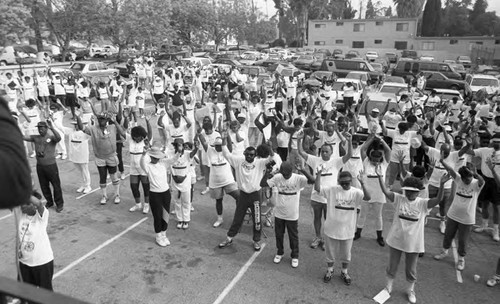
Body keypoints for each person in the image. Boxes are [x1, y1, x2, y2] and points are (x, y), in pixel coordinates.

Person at [377, 169, 450, 304]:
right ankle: (388, 287)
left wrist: (441, 185)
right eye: (407, 191)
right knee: (392, 266)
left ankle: (410, 290)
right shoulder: (399, 199)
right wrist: (380, 177)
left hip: (414, 243)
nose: (410, 193)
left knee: (411, 269)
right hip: (396, 239)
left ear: (418, 191)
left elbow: (439, 199)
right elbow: (385, 192)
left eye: (413, 191)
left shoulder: (423, 203)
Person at [297, 133, 353, 249]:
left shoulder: (336, 162)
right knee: (317, 218)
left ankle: (327, 239)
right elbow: (301, 152)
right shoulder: (315, 160)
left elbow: (349, 154)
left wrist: (350, 141)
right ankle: (318, 237)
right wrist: (299, 140)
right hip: (316, 196)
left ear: (332, 152)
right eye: (322, 151)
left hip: (330, 198)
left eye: (326, 151)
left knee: (329, 219)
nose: (323, 153)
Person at [315, 169, 370, 285]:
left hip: (348, 231)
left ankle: (344, 271)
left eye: (347, 183)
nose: (345, 185)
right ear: (338, 181)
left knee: (346, 254)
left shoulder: (356, 192)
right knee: (330, 253)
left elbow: (368, 197)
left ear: (351, 181)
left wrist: (363, 183)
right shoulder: (332, 190)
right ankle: (330, 270)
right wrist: (319, 174)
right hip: (331, 229)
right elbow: (317, 188)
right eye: (342, 183)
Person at [218, 141, 275, 251]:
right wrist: (224, 140)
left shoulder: (260, 162)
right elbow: (226, 154)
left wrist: (270, 148)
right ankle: (229, 238)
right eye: (247, 154)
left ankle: (256, 241)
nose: (249, 156)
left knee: (257, 220)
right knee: (237, 219)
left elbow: (273, 159)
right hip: (243, 196)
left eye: (252, 154)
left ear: (255, 155)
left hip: (255, 196)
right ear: (244, 153)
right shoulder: (238, 161)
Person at [433, 162, 484, 271]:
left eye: (470, 178)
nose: (467, 181)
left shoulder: (476, 184)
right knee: (448, 235)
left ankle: (461, 259)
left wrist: (476, 174)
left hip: (467, 219)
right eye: (466, 179)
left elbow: (482, 181)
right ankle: (444, 251)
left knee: (463, 240)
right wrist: (442, 161)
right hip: (453, 215)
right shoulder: (459, 179)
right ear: (462, 177)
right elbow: (451, 170)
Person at [260, 161, 308, 268]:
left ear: (292, 171)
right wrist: (267, 173)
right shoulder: (278, 177)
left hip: (292, 214)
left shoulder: (298, 178)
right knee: (279, 234)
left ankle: (295, 256)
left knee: (293, 236)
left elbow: (312, 181)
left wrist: (303, 170)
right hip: (279, 214)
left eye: (287, 174)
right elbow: (262, 184)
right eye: (283, 174)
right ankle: (279, 252)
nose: (285, 176)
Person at [77, 112, 125, 205]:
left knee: (113, 176)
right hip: (100, 158)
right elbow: (81, 128)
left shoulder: (112, 127)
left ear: (107, 120)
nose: (101, 121)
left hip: (111, 156)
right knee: (102, 177)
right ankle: (104, 196)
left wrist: (115, 121)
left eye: (103, 119)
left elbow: (122, 132)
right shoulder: (93, 129)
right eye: (99, 119)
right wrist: (78, 118)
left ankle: (117, 194)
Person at [355, 134, 391, 246]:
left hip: (379, 195)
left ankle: (380, 236)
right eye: (374, 160)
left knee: (378, 216)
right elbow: (363, 149)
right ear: (370, 158)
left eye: (378, 160)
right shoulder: (365, 162)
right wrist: (371, 139)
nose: (375, 162)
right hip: (366, 194)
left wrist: (381, 140)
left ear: (381, 158)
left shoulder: (384, 164)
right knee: (362, 214)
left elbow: (388, 150)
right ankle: (358, 233)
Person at [197, 133, 239, 228]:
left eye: (220, 146)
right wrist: (199, 132)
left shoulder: (226, 152)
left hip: (228, 181)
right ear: (214, 145)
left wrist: (227, 134)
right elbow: (203, 141)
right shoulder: (210, 151)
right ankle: (220, 219)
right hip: (215, 183)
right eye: (217, 146)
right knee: (218, 201)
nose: (218, 147)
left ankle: (237, 218)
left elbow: (229, 143)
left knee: (239, 197)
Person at [15, 191, 54, 291]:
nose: (22, 206)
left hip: (42, 263)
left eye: (26, 203)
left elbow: (39, 203)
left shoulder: (41, 217)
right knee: (25, 293)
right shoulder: (21, 214)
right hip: (24, 262)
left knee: (45, 296)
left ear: (34, 206)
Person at [23, 120, 64, 213]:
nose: (40, 130)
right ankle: (49, 201)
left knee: (56, 185)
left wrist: (52, 128)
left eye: (42, 128)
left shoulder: (51, 137)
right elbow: (23, 137)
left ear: (46, 128)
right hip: (40, 166)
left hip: (51, 166)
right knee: (44, 186)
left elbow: (59, 138)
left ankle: (59, 204)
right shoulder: (35, 138)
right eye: (39, 128)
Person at [0, 97, 32, 209]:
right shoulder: (10, 128)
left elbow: (29, 121)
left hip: (21, 152)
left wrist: (23, 113)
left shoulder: (20, 126)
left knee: (25, 168)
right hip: (14, 154)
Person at [140, 146, 171, 247]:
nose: (156, 159)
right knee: (157, 215)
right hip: (154, 194)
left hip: (165, 193)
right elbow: (142, 164)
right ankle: (158, 236)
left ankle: (164, 234)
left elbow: (174, 160)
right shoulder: (148, 166)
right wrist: (143, 154)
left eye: (157, 157)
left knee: (165, 215)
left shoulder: (164, 164)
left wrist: (179, 153)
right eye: (154, 157)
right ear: (151, 157)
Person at [171, 138, 198, 229]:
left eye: (179, 145)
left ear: (183, 146)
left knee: (186, 201)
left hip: (185, 182)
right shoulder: (171, 154)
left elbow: (193, 153)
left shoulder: (187, 154)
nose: (178, 147)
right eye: (176, 145)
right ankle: (180, 219)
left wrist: (196, 148)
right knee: (177, 201)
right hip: (175, 181)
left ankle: (186, 220)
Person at [128, 122, 153, 214]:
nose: (140, 138)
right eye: (136, 137)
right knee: (134, 186)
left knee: (146, 187)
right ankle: (138, 204)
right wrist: (115, 121)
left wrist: (148, 122)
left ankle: (146, 205)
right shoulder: (130, 140)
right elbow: (122, 132)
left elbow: (149, 133)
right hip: (133, 168)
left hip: (144, 167)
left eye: (141, 136)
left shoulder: (146, 141)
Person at [68, 120, 92, 194]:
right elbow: (61, 128)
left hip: (83, 156)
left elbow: (91, 133)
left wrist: (88, 125)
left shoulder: (85, 134)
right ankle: (83, 185)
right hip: (74, 156)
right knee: (80, 171)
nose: (76, 126)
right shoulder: (71, 132)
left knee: (85, 171)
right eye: (75, 125)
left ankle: (88, 186)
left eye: (77, 124)